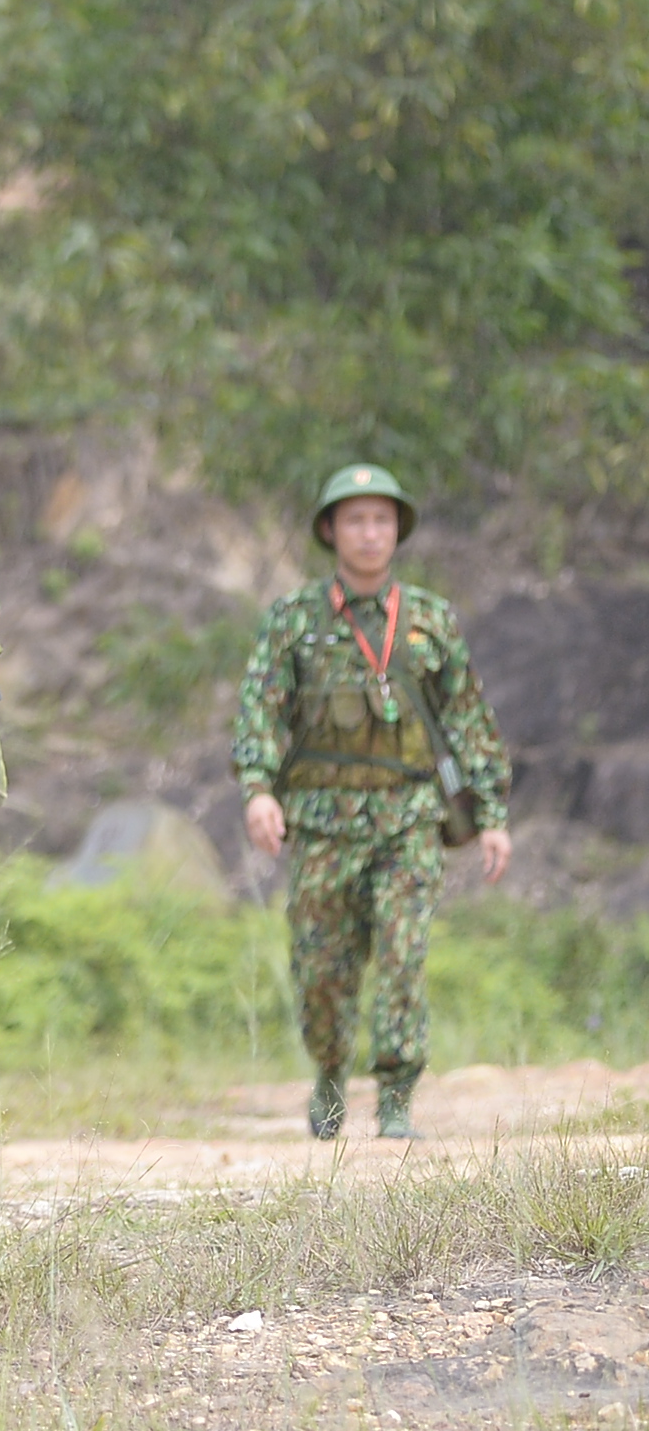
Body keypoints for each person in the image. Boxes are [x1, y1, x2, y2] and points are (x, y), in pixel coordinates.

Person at [235, 463, 513, 1142]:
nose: (368, 533)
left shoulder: (429, 620)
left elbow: (469, 718)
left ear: (398, 531)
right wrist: (257, 789)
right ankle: (330, 1074)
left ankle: (396, 1099)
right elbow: (261, 710)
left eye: (381, 520)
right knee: (321, 968)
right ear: (331, 530)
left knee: (402, 953)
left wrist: (494, 815)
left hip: (408, 820)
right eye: (355, 519)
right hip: (323, 824)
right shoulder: (293, 619)